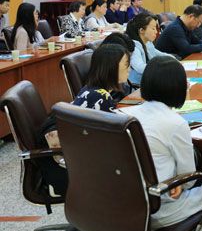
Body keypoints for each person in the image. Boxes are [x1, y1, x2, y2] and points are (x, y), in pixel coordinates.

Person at [120, 56, 202, 230]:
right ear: (180, 88)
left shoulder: (123, 114)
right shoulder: (176, 123)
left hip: (122, 204)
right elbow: (188, 179)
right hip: (158, 207)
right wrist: (179, 184)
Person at [35, 43, 131, 196]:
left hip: (77, 153)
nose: (129, 69)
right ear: (111, 68)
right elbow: (116, 139)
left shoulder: (90, 89)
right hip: (74, 166)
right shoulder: (101, 97)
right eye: (126, 65)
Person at [126, 13, 173, 86]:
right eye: (153, 28)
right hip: (137, 86)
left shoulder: (148, 43)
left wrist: (172, 59)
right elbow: (140, 67)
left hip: (148, 81)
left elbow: (158, 53)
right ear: (141, 30)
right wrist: (162, 68)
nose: (156, 32)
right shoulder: (134, 47)